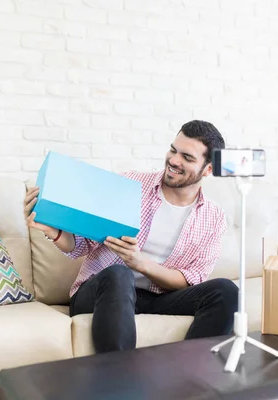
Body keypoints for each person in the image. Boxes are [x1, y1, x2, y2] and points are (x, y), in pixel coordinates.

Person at [23, 120, 238, 353]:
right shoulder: (131, 185)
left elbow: (191, 280)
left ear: (207, 169)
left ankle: (190, 376)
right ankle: (119, 379)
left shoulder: (213, 217)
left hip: (158, 298)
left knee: (226, 291)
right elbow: (80, 245)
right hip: (103, 292)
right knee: (119, 274)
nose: (174, 160)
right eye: (173, 150)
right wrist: (52, 230)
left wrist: (141, 263)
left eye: (187, 157)